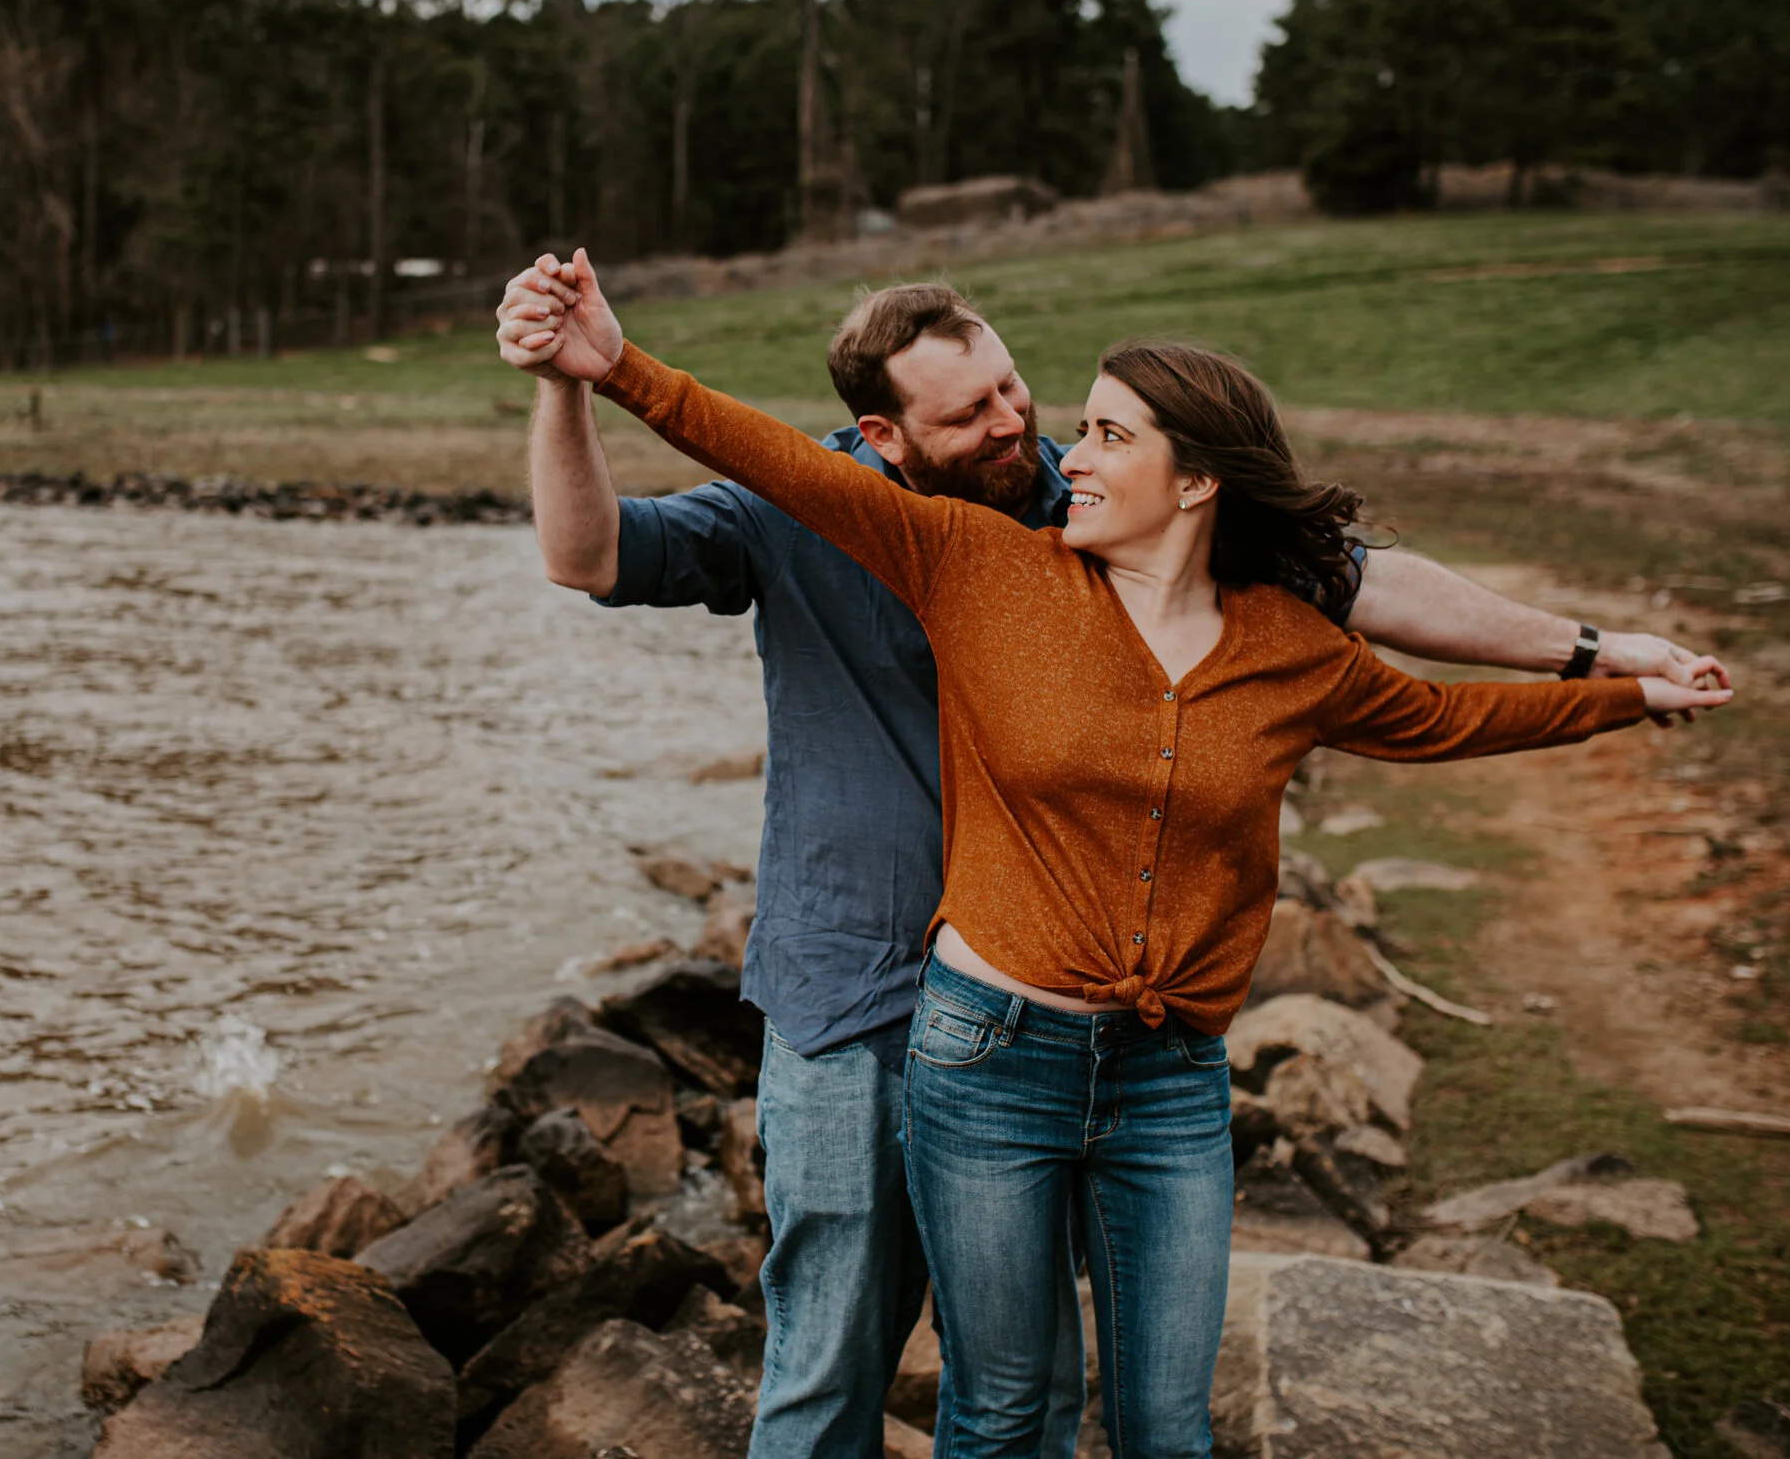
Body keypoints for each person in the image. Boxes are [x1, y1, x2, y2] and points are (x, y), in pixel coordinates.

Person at [494, 251, 1728, 1459]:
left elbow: (1379, 614)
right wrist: (580, 377)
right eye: (969, 414)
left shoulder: (1092, 509)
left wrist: (1596, 655)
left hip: (1101, 1017)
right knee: (831, 1369)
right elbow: (588, 551)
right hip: (860, 985)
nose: (1017, 430)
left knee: (1041, 1395)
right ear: (882, 435)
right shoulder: (861, 526)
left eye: (1015, 393)